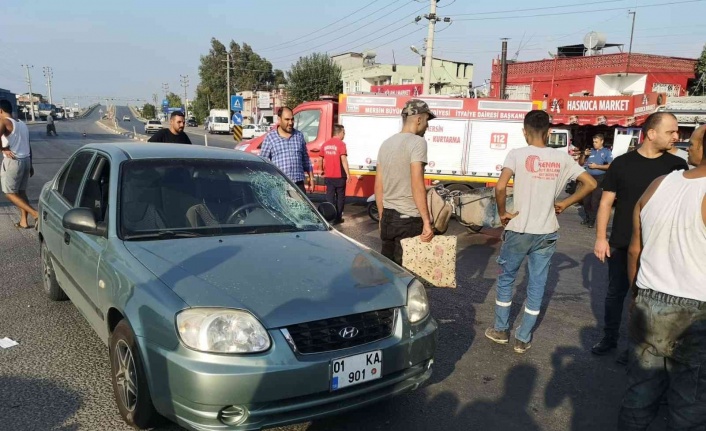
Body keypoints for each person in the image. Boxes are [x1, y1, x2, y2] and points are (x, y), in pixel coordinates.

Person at [484, 110, 596, 354]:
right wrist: (566, 203)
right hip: (546, 231)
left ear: (525, 132)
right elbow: (591, 183)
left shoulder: (516, 154)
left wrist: (503, 213)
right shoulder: (562, 158)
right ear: (549, 132)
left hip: (519, 229)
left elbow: (501, 187)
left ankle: (501, 330)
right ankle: (523, 337)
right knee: (537, 283)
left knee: (507, 279)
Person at [619, 124, 706, 430]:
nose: (688, 147)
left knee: (640, 391)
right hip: (697, 310)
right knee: (691, 402)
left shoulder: (658, 184)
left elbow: (634, 250)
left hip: (649, 299)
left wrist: (636, 296)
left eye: (694, 142)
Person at [591, 112, 688, 358]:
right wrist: (601, 238)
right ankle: (609, 338)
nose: (676, 136)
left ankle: (636, 348)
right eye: (671, 132)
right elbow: (605, 203)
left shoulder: (676, 166)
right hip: (623, 243)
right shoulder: (622, 163)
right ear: (651, 134)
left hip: (659, 247)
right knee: (616, 294)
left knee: (647, 301)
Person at [375, 99, 435, 265]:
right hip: (408, 219)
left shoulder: (386, 144)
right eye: (427, 121)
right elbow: (417, 184)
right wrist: (426, 221)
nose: (427, 126)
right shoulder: (418, 142)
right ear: (418, 119)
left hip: (388, 216)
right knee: (408, 276)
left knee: (387, 272)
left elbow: (379, 185)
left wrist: (381, 217)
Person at [0, 99, 38, 229]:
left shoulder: (3, 122)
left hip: (13, 162)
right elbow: (28, 145)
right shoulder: (22, 124)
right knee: (21, 193)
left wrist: (3, 149)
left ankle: (35, 213)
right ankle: (23, 221)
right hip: (26, 160)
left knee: (9, 193)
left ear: (0, 111)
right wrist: (31, 164)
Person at [260, 107, 314, 193]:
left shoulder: (299, 136)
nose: (290, 123)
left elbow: (306, 159)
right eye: (287, 119)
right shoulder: (270, 138)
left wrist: (311, 177)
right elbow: (263, 163)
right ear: (279, 119)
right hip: (279, 186)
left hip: (298, 185)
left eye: (292, 119)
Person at [578, 134, 612, 227]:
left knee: (594, 201)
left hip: (599, 178)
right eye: (593, 142)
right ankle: (588, 218)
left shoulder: (606, 152)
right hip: (588, 177)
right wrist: (584, 155)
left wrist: (597, 166)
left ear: (602, 141)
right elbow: (580, 163)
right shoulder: (590, 151)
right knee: (585, 200)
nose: (594, 144)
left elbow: (610, 165)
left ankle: (592, 221)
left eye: (596, 142)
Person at [321, 124, 350, 224]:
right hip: (340, 176)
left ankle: (329, 217)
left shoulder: (325, 144)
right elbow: (343, 160)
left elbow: (321, 158)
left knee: (329, 197)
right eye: (344, 132)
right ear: (340, 133)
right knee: (340, 198)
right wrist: (348, 174)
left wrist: (321, 170)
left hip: (329, 176)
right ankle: (338, 218)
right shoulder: (341, 144)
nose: (344, 134)